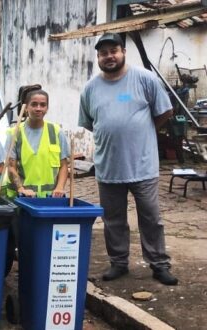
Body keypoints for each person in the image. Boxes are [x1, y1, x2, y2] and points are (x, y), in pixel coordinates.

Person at [79, 32, 177, 285]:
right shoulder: (90, 88)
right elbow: (91, 123)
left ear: (123, 52)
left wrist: (143, 130)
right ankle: (119, 263)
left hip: (142, 165)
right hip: (108, 167)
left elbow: (165, 111)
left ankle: (159, 264)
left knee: (151, 218)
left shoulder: (145, 79)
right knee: (113, 220)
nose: (109, 56)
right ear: (98, 57)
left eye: (114, 51)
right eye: (103, 53)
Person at [5, 89, 70, 198]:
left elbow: (63, 165)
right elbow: (11, 167)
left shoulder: (56, 132)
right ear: (26, 108)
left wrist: (59, 187)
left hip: (49, 198)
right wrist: (21, 189)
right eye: (34, 104)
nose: (38, 108)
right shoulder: (14, 133)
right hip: (22, 199)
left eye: (43, 105)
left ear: (47, 108)